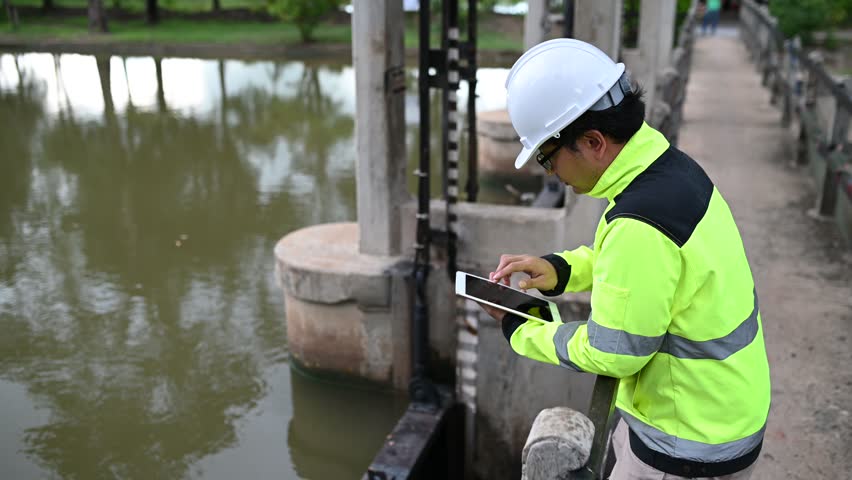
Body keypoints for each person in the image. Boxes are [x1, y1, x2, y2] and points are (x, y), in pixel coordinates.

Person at [480, 39, 770, 479]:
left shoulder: (639, 222)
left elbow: (613, 352)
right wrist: (561, 270)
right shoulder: (666, 168)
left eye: (547, 157)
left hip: (685, 443)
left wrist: (523, 326)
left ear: (592, 141)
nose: (550, 173)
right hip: (723, 410)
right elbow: (642, 270)